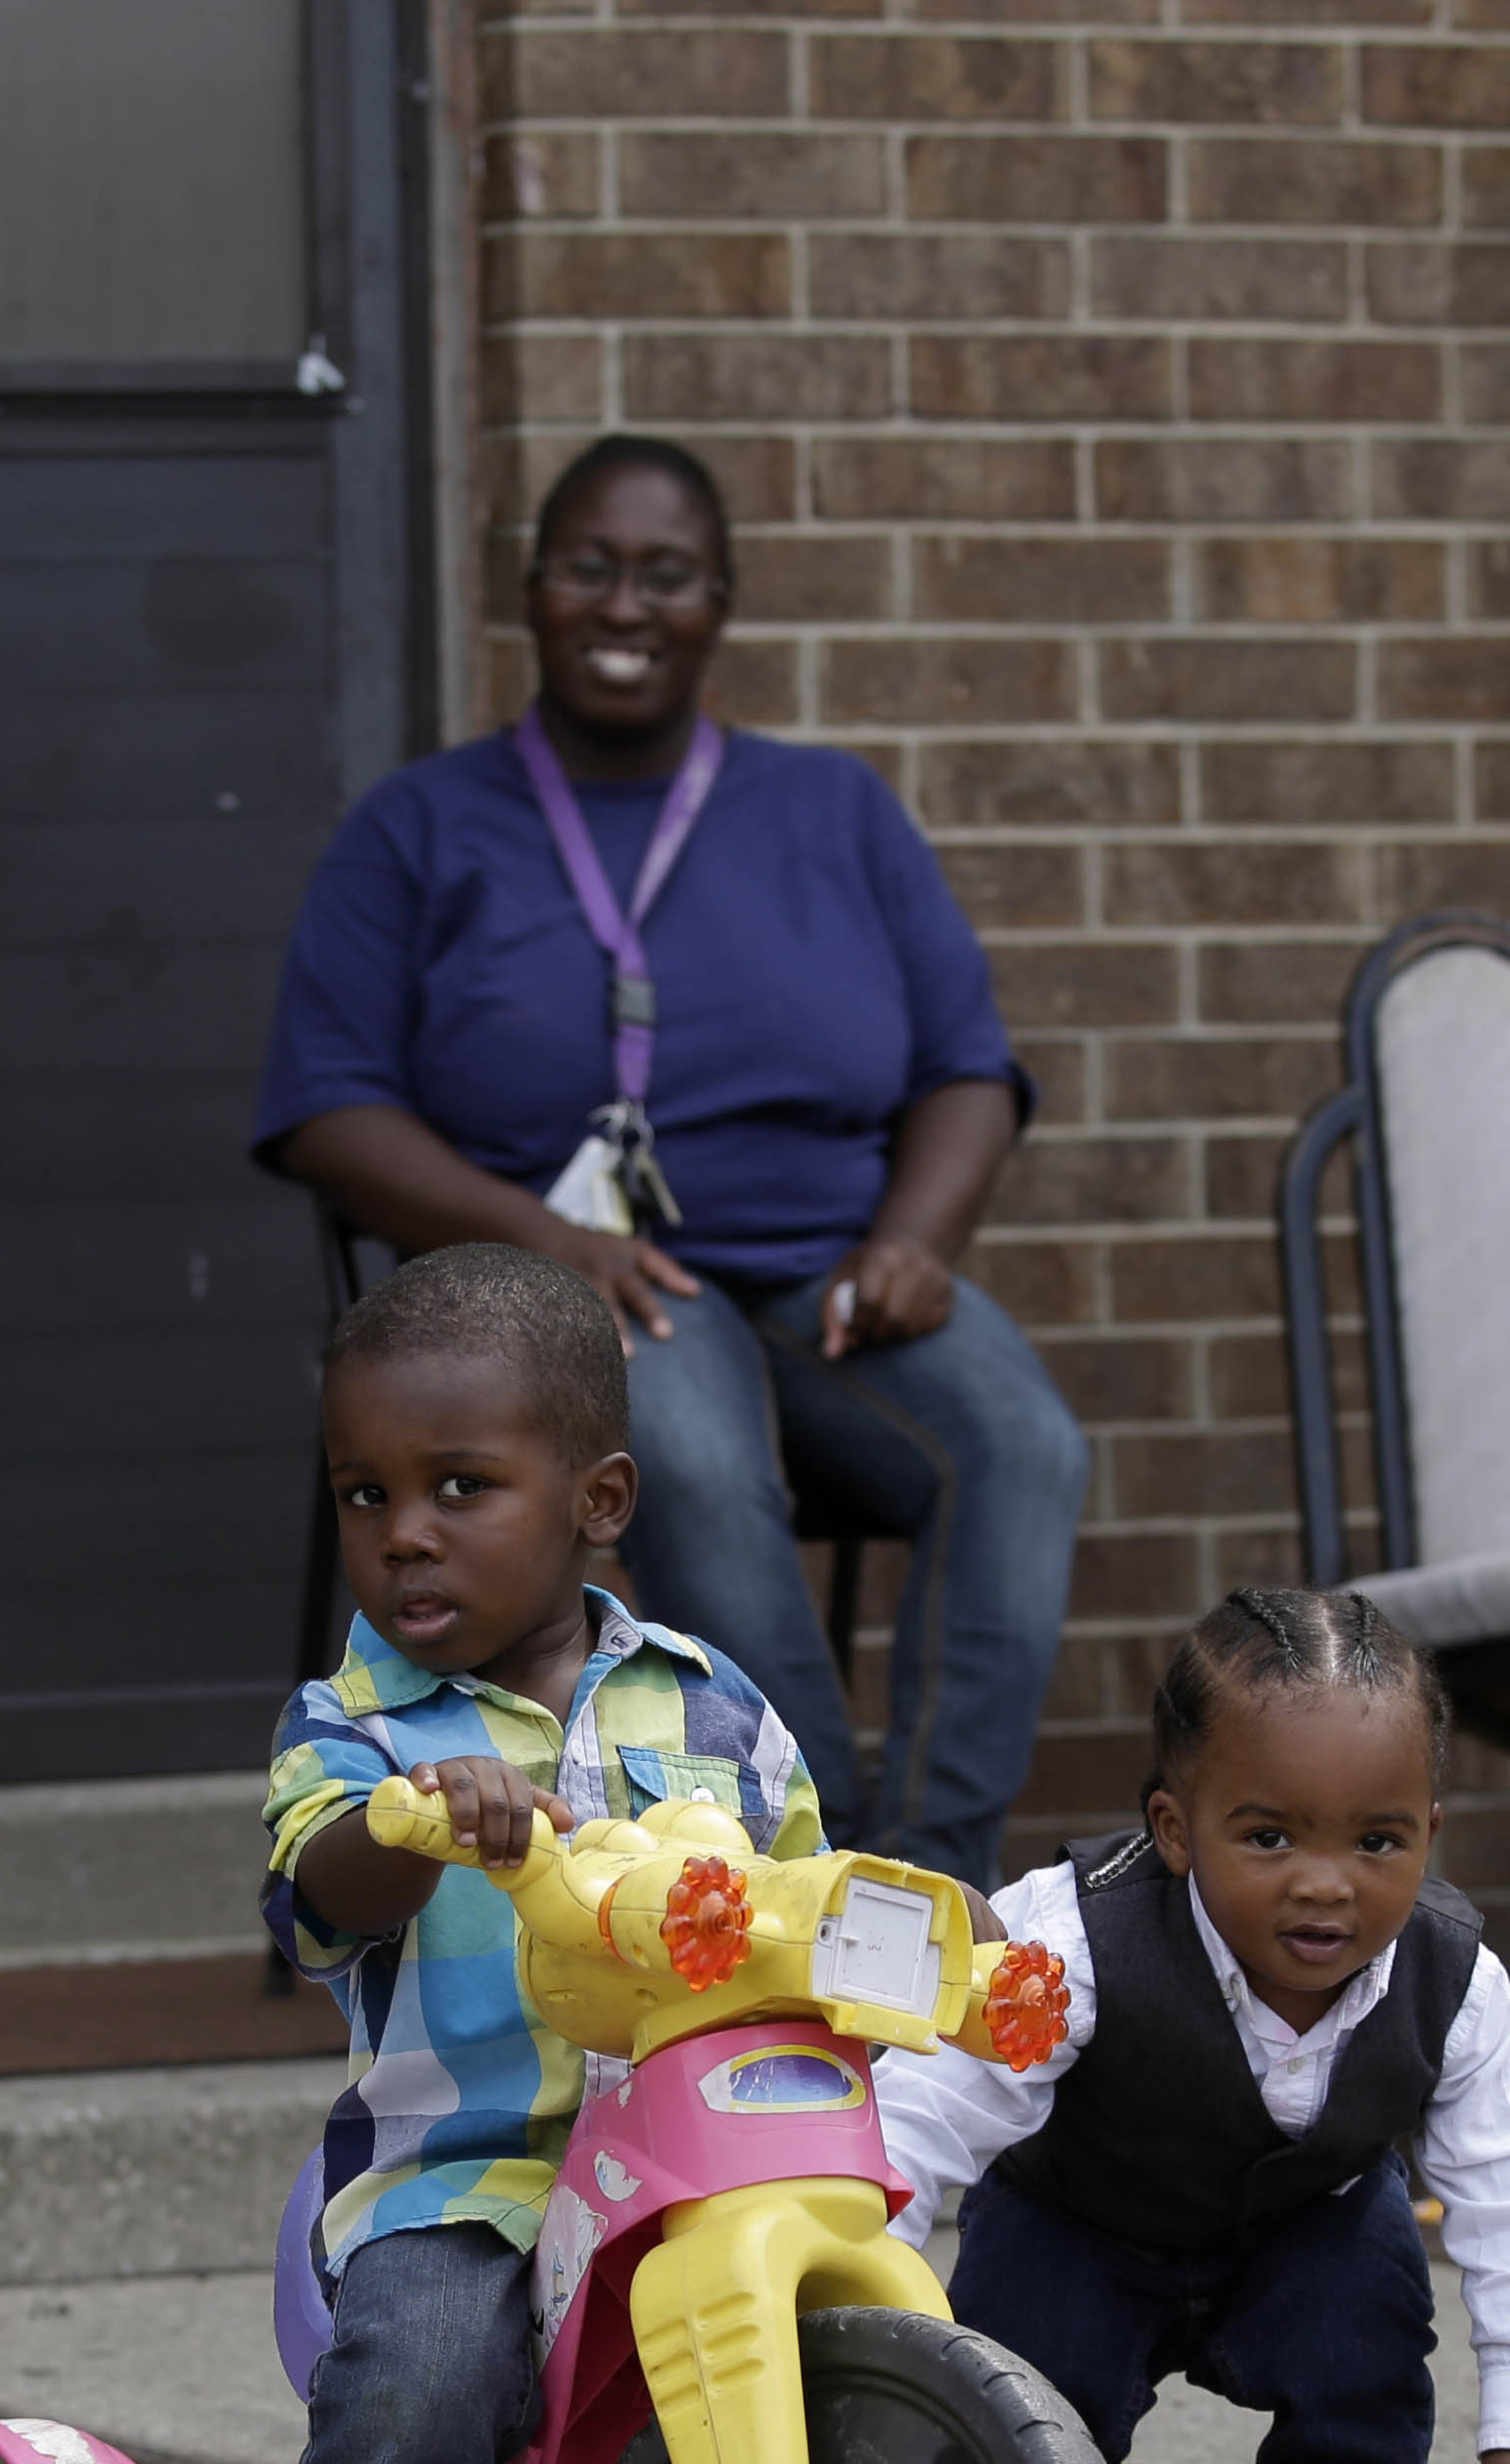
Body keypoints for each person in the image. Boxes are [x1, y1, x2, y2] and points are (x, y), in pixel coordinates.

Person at [255, 430, 1088, 1896]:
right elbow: (327, 1110)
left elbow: (968, 1066)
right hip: (585, 1281)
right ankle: (803, 1885)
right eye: (589, 567)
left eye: (666, 576)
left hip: (832, 1265)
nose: (624, 605)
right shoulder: (418, 827)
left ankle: (919, 1882)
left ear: (721, 603)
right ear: (531, 589)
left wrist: (917, 1240)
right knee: (690, 1459)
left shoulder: (834, 810)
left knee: (1022, 1444)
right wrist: (540, 1240)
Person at [243, 1241, 826, 2464]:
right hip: (474, 2181)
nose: (402, 1532)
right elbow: (317, 1890)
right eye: (364, 1495)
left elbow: (803, 1899)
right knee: (422, 2379)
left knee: (897, 2318)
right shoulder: (349, 1725)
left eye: (458, 1487)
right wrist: (410, 1823)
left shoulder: (715, 1710)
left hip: (711, 2171)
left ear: (599, 1499)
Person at [873, 1588, 1510, 2464]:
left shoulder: (1452, 1978)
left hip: (1304, 2230)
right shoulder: (1067, 1940)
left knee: (1365, 2344)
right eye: (1269, 1836)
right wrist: (863, 2279)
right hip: (1081, 2223)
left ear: (1430, 1827)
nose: (1326, 1882)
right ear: (1176, 1827)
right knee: (1017, 2405)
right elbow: (922, 2112)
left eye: (1378, 1841)